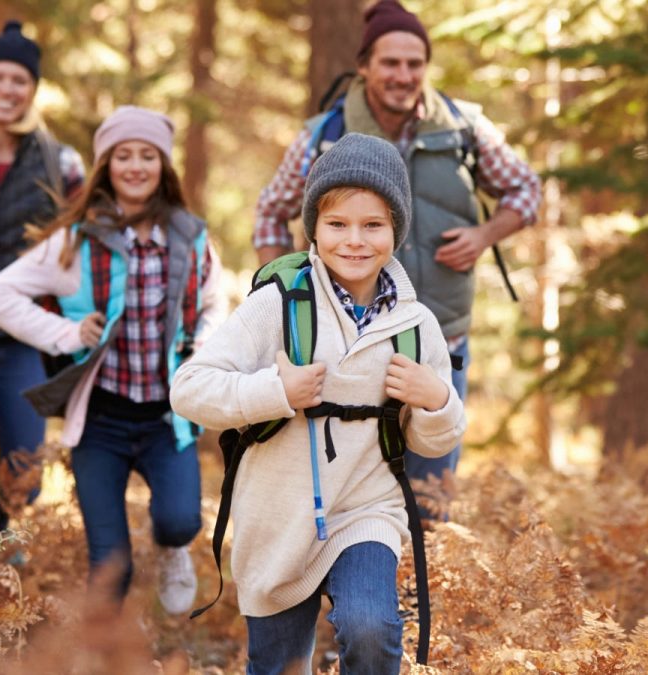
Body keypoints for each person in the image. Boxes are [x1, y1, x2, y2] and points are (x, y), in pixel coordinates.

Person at [171, 133, 465, 674]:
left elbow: (433, 439)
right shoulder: (275, 305)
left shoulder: (417, 325)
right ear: (314, 228)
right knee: (280, 665)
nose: (354, 241)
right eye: (337, 225)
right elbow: (189, 387)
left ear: (395, 230)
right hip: (277, 520)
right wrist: (276, 393)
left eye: (373, 225)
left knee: (372, 629)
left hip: (366, 510)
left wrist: (437, 400)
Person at [252, 0, 540, 510]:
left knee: (430, 492)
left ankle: (419, 589)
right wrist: (282, 293)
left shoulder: (463, 127)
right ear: (364, 65)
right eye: (390, 62)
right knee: (340, 495)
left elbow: (525, 190)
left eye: (415, 63)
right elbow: (270, 213)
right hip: (338, 348)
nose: (403, 75)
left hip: (438, 340)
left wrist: (485, 234)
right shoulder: (325, 136)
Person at [0, 106, 224, 614]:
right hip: (100, 425)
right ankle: (103, 656)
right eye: (123, 156)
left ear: (163, 166)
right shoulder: (76, 242)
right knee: (110, 565)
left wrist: (204, 345)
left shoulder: (189, 235)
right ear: (106, 167)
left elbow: (216, 300)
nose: (135, 166)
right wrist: (66, 331)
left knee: (180, 520)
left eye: (147, 156)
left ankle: (171, 548)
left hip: (166, 419)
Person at [0, 20, 85, 555]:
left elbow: (86, 243)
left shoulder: (60, 162)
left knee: (24, 471)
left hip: (22, 338)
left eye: (19, 81)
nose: (7, 90)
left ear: (32, 90)